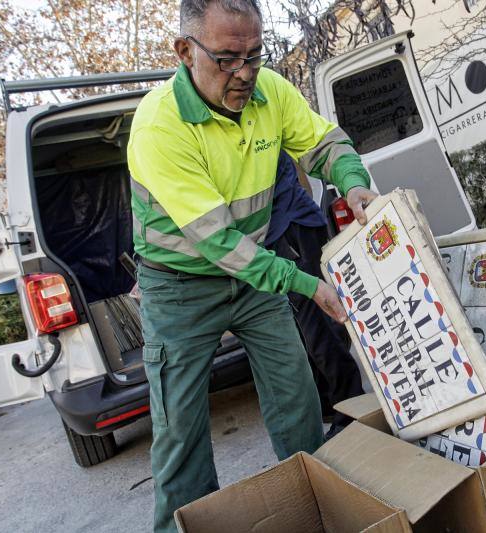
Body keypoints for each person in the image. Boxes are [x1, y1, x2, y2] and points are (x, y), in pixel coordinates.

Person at [126, 1, 377, 530]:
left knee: (297, 398)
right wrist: (307, 284)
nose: (243, 74)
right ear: (184, 51)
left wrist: (353, 182)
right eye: (226, 59)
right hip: (180, 289)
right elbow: (219, 244)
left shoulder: (270, 93)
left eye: (254, 56)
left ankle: (314, 510)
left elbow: (325, 143)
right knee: (181, 432)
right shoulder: (159, 127)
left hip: (254, 277)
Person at [266, 151, 365, 438]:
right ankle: (332, 404)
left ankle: (351, 407)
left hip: (290, 229)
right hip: (283, 232)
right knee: (305, 329)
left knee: (318, 327)